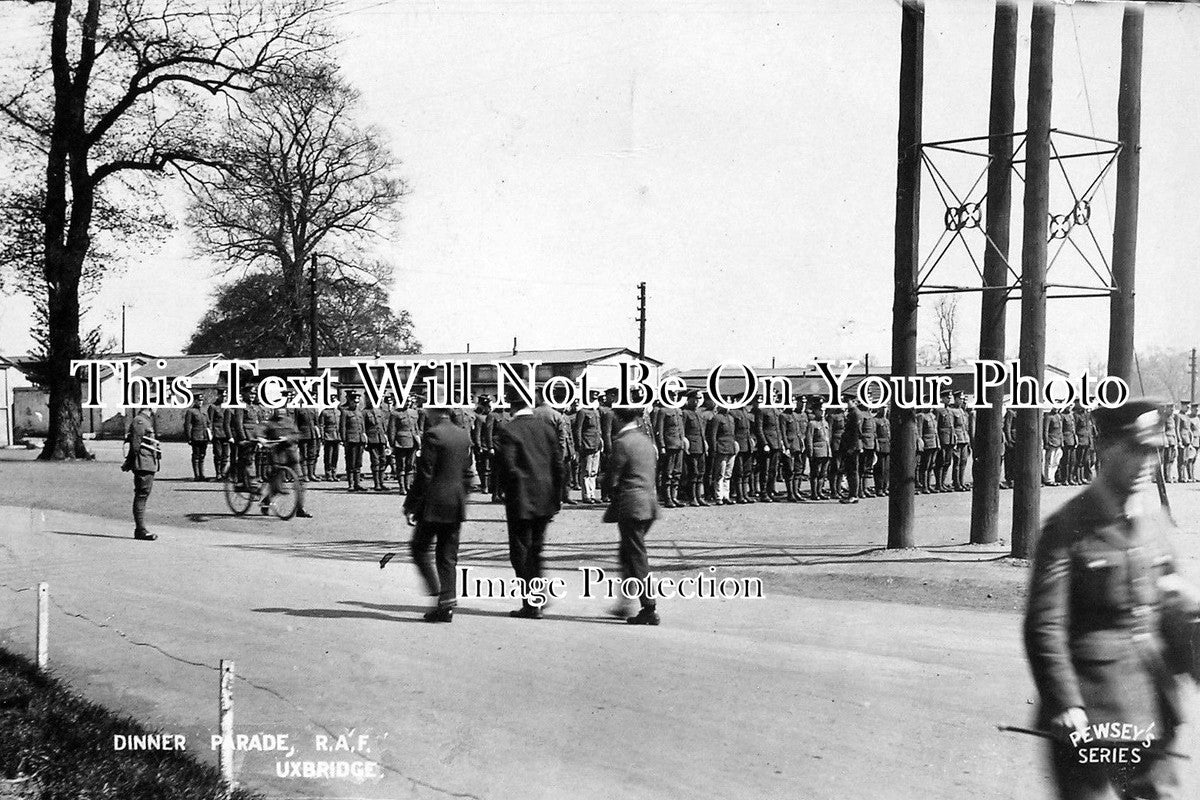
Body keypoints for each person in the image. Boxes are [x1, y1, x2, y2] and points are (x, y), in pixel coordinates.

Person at [1024, 398, 1200, 800]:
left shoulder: (1154, 525)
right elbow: (1044, 626)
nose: (1148, 461)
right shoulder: (1068, 526)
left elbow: (1171, 612)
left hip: (1151, 706)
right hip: (1091, 710)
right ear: (1105, 450)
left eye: (1154, 449)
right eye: (1136, 449)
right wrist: (1066, 703)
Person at [493, 393, 564, 619]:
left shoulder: (509, 429)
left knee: (520, 552)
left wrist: (502, 490)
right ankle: (540, 595)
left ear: (513, 406)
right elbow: (558, 464)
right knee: (536, 549)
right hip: (546, 497)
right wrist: (558, 496)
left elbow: (508, 466)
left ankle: (532, 603)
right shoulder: (546, 427)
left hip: (521, 499)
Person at [404, 404, 473, 623]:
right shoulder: (462, 435)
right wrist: (462, 498)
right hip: (455, 503)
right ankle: (447, 603)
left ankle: (437, 593)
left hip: (434, 505)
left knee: (418, 548)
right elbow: (468, 473)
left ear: (433, 411)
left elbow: (425, 474)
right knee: (447, 556)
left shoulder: (433, 434)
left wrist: (411, 505)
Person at [604, 406, 661, 625]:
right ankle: (625, 603)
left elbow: (612, 479)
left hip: (631, 506)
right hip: (648, 504)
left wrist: (606, 483)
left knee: (636, 556)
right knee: (626, 553)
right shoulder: (645, 441)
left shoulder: (622, 443)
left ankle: (649, 607)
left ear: (619, 419)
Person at [261, 400, 313, 518]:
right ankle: (267, 500)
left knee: (300, 482)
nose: (280, 411)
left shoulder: (289, 422)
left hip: (292, 455)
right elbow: (260, 432)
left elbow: (297, 434)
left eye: (282, 408)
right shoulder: (269, 423)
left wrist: (287, 438)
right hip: (277, 457)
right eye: (278, 408)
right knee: (277, 484)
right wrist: (262, 439)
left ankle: (300, 508)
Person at [122, 407, 160, 541]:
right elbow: (136, 445)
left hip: (148, 463)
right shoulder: (140, 421)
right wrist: (129, 462)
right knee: (141, 495)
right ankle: (140, 529)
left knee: (143, 494)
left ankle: (140, 528)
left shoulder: (146, 421)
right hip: (143, 463)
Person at [654, 398, 686, 507]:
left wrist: (683, 442)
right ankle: (667, 498)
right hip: (670, 445)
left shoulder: (678, 411)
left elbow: (681, 429)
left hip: (679, 445)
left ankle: (674, 497)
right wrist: (662, 445)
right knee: (668, 472)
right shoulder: (663, 411)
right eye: (671, 395)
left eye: (675, 395)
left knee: (677, 472)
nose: (674, 398)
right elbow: (659, 430)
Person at [706, 400, 737, 505]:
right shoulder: (717, 418)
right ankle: (718, 496)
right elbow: (713, 435)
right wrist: (714, 449)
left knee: (728, 474)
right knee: (720, 473)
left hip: (731, 448)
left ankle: (726, 496)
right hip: (721, 448)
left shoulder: (731, 418)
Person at [681, 391, 709, 506]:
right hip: (691, 446)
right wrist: (685, 443)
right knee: (693, 472)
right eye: (694, 399)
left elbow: (702, 431)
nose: (696, 402)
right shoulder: (685, 413)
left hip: (701, 446)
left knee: (701, 472)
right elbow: (682, 430)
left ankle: (699, 497)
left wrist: (705, 444)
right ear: (689, 400)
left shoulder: (698, 413)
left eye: (698, 399)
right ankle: (692, 498)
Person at [574, 398, 603, 503]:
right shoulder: (582, 412)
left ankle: (592, 494)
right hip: (587, 444)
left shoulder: (595, 412)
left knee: (594, 471)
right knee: (586, 471)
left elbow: (598, 429)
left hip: (596, 445)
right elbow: (578, 429)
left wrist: (600, 442)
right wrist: (579, 445)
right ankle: (586, 495)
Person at [340, 391, 368, 492]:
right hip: (351, 440)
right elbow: (342, 427)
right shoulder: (345, 412)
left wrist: (364, 438)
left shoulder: (360, 412)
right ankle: (351, 484)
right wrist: (344, 440)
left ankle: (357, 484)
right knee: (350, 462)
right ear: (350, 401)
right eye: (354, 402)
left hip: (360, 440)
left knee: (358, 462)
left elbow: (362, 427)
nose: (355, 404)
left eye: (357, 402)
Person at [182, 393, 211, 481]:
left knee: (202, 455)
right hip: (196, 436)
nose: (200, 402)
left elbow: (208, 423)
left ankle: (202, 475)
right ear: (195, 401)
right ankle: (197, 475)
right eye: (199, 400)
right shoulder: (191, 411)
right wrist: (189, 438)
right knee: (196, 456)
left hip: (204, 437)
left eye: (201, 401)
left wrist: (209, 433)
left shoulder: (204, 411)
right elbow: (187, 425)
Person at [207, 388, 230, 479]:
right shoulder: (213, 407)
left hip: (226, 433)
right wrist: (210, 433)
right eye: (222, 396)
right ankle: (218, 473)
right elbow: (210, 421)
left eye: (225, 396)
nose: (224, 398)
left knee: (226, 455)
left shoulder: (228, 406)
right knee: (218, 454)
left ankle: (224, 473)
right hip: (217, 433)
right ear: (218, 396)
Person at [295, 401, 319, 482]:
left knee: (312, 455)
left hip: (313, 435)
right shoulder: (298, 409)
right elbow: (296, 423)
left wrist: (318, 434)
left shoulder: (313, 409)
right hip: (303, 435)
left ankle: (311, 474)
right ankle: (305, 475)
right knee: (304, 455)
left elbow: (316, 423)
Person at [318, 396, 342, 482]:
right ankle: (328, 474)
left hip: (337, 436)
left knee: (335, 456)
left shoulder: (338, 412)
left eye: (334, 400)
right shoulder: (324, 412)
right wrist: (322, 436)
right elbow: (321, 425)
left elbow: (341, 425)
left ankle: (334, 473)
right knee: (328, 456)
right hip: (328, 436)